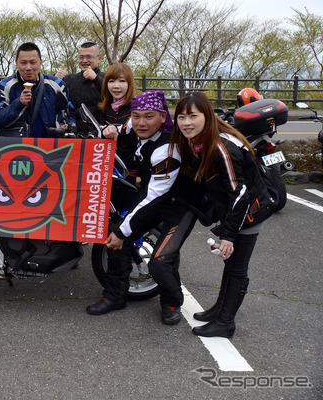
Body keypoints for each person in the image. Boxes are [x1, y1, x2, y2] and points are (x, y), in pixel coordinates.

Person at [87, 91, 198, 326]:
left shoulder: (166, 150)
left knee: (160, 260)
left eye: (149, 117)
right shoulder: (134, 127)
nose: (141, 122)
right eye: (136, 116)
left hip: (180, 207)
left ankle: (171, 302)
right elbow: (120, 131)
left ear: (162, 117)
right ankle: (115, 296)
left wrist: (123, 231)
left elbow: (152, 197)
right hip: (154, 196)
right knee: (115, 235)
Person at [170, 92, 275, 338]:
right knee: (231, 263)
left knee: (238, 267)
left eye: (193, 116)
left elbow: (239, 193)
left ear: (206, 115)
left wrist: (228, 235)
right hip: (237, 211)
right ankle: (220, 309)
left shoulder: (220, 147)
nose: (186, 122)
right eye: (182, 117)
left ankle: (226, 321)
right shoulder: (199, 141)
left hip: (250, 210)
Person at [0, 42, 76, 137]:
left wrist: (67, 125)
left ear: (40, 62)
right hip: (16, 146)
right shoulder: (4, 85)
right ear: (16, 63)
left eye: (33, 62)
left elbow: (70, 113)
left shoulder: (57, 84)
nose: (28, 68)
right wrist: (19, 103)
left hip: (50, 146)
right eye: (23, 63)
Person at [55, 42, 105, 121]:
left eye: (89, 57)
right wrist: (56, 81)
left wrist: (96, 79)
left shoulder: (108, 79)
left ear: (99, 59)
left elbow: (114, 98)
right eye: (81, 57)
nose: (84, 61)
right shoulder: (69, 79)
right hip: (73, 129)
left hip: (100, 129)